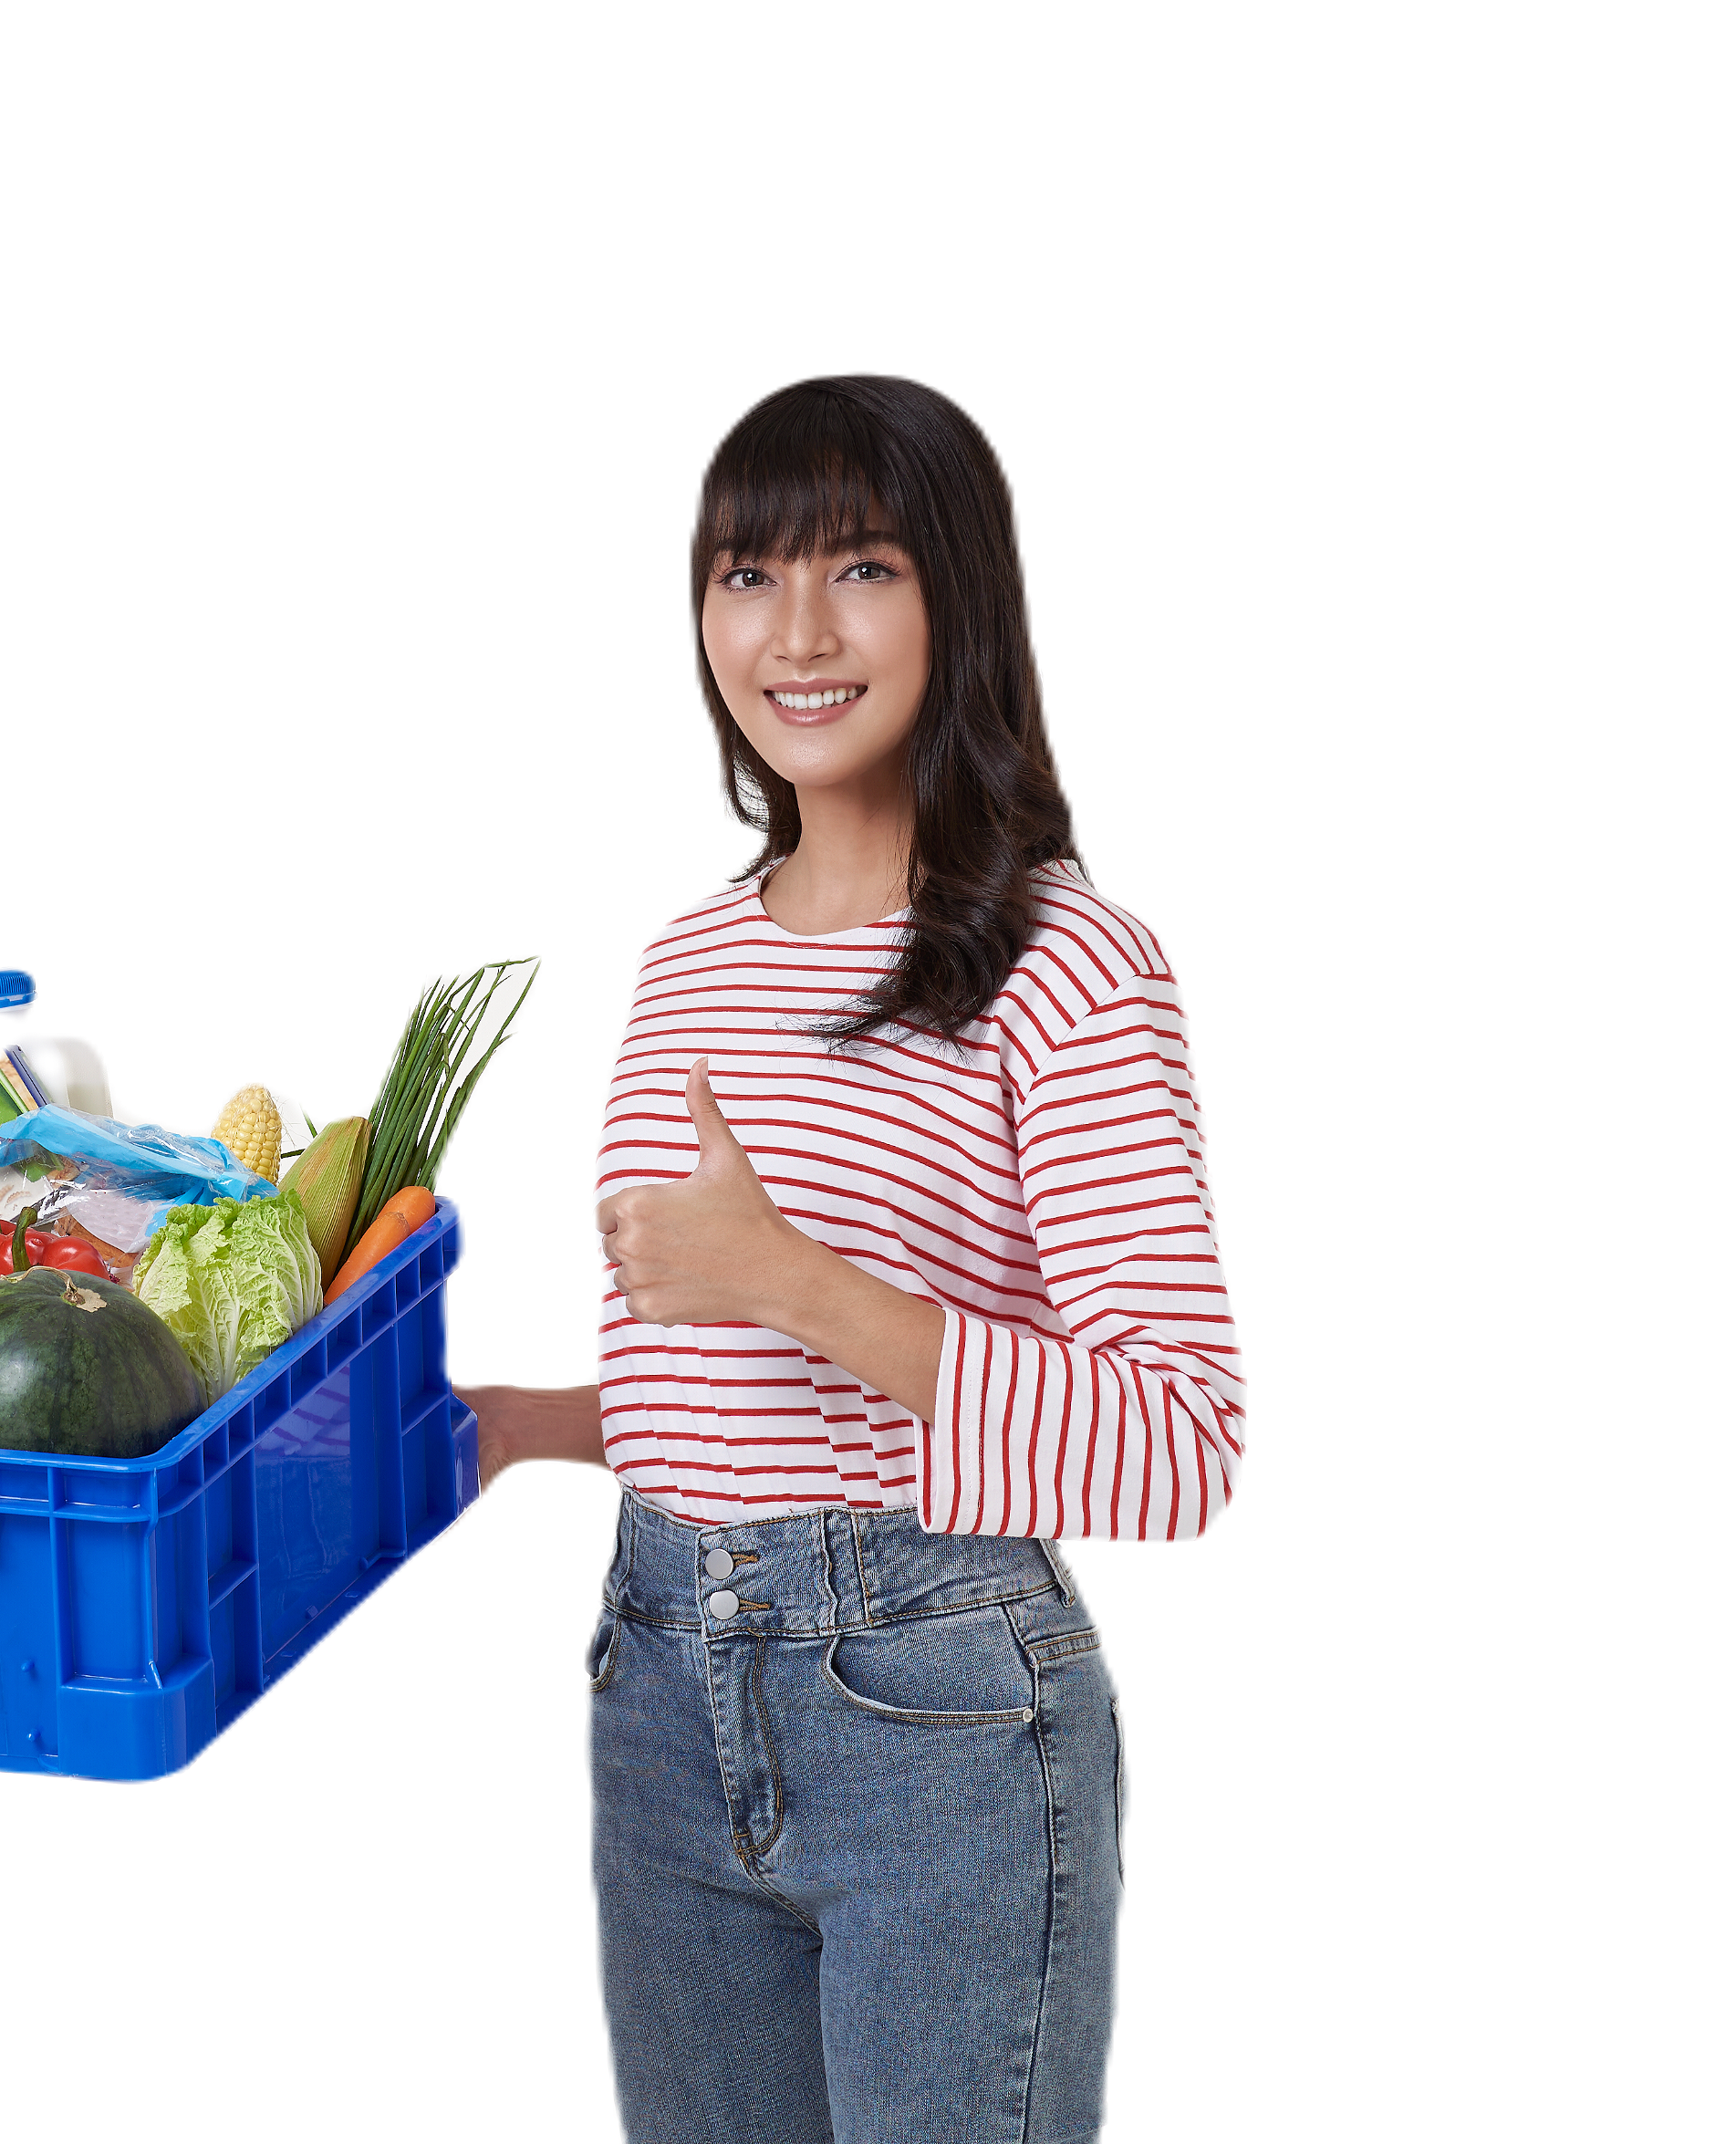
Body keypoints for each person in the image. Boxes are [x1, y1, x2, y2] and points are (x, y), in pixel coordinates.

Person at [452, 373, 1250, 2144]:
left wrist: (789, 1274)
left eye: (859, 567)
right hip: (650, 1679)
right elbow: (718, 1381)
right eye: (745, 574)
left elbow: (1182, 1439)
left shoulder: (1069, 963)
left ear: (957, 597)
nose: (793, 631)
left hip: (938, 1713)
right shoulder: (680, 960)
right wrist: (532, 1421)